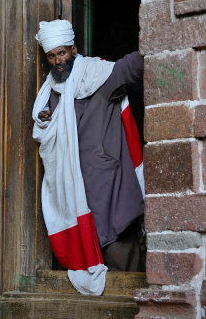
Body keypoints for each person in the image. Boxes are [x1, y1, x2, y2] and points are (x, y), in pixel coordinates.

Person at [32, 19, 145, 295]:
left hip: (112, 198)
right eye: (51, 55)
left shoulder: (97, 76)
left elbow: (134, 67)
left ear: (74, 49)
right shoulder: (50, 94)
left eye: (62, 53)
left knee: (128, 285)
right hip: (77, 202)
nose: (58, 61)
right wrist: (46, 119)